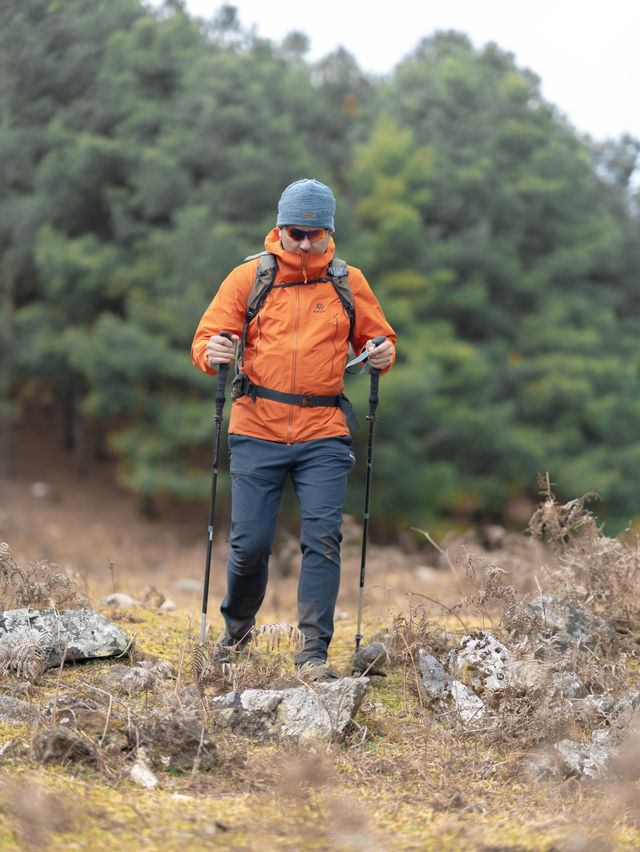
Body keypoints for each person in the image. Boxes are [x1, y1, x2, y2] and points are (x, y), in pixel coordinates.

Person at [191, 178, 396, 682]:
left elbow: (379, 339)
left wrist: (384, 354)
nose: (304, 243)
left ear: (330, 232)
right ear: (279, 227)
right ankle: (235, 635)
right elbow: (205, 339)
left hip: (323, 430)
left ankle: (313, 655)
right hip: (256, 427)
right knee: (249, 545)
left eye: (315, 233)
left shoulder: (349, 281)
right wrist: (211, 352)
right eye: (295, 232)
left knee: (323, 538)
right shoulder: (249, 278)